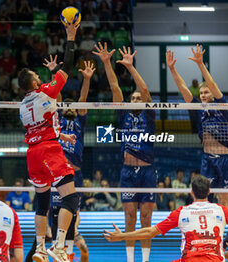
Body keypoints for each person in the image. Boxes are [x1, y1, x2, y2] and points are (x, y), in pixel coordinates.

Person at [103, 175, 228, 262]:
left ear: (191, 192)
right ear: (210, 192)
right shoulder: (222, 210)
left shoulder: (181, 212)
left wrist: (122, 236)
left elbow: (150, 231)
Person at [18, 21, 80, 262]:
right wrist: (71, 36)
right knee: (70, 198)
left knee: (42, 203)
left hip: (32, 154)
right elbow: (69, 68)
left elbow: (41, 126)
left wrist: (60, 134)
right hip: (48, 151)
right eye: (37, 77)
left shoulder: (22, 106)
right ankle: (59, 245)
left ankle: (41, 250)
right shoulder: (46, 91)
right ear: (35, 84)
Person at [93, 43, 156, 262]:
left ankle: (145, 260)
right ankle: (130, 260)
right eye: (134, 99)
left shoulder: (149, 115)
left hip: (147, 173)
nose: (137, 100)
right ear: (129, 103)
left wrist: (130, 67)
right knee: (129, 218)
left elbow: (146, 91)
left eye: (139, 98)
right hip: (128, 173)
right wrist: (107, 63)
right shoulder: (123, 115)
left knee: (146, 219)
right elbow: (114, 87)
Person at [166, 45, 228, 207]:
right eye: (201, 93)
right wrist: (172, 68)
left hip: (225, 159)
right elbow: (183, 89)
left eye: (206, 92)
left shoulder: (221, 105)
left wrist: (200, 64)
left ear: (212, 93)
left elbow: (212, 83)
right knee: (205, 197)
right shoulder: (198, 108)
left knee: (223, 199)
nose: (203, 95)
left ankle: (221, 231)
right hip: (207, 159)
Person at [43, 56, 94, 262]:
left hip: (76, 173)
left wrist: (87, 79)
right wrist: (54, 72)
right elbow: (56, 93)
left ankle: (67, 252)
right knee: (54, 211)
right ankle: (54, 246)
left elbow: (83, 98)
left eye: (74, 106)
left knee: (73, 213)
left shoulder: (80, 120)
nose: (71, 107)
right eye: (68, 106)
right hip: (57, 172)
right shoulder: (60, 119)